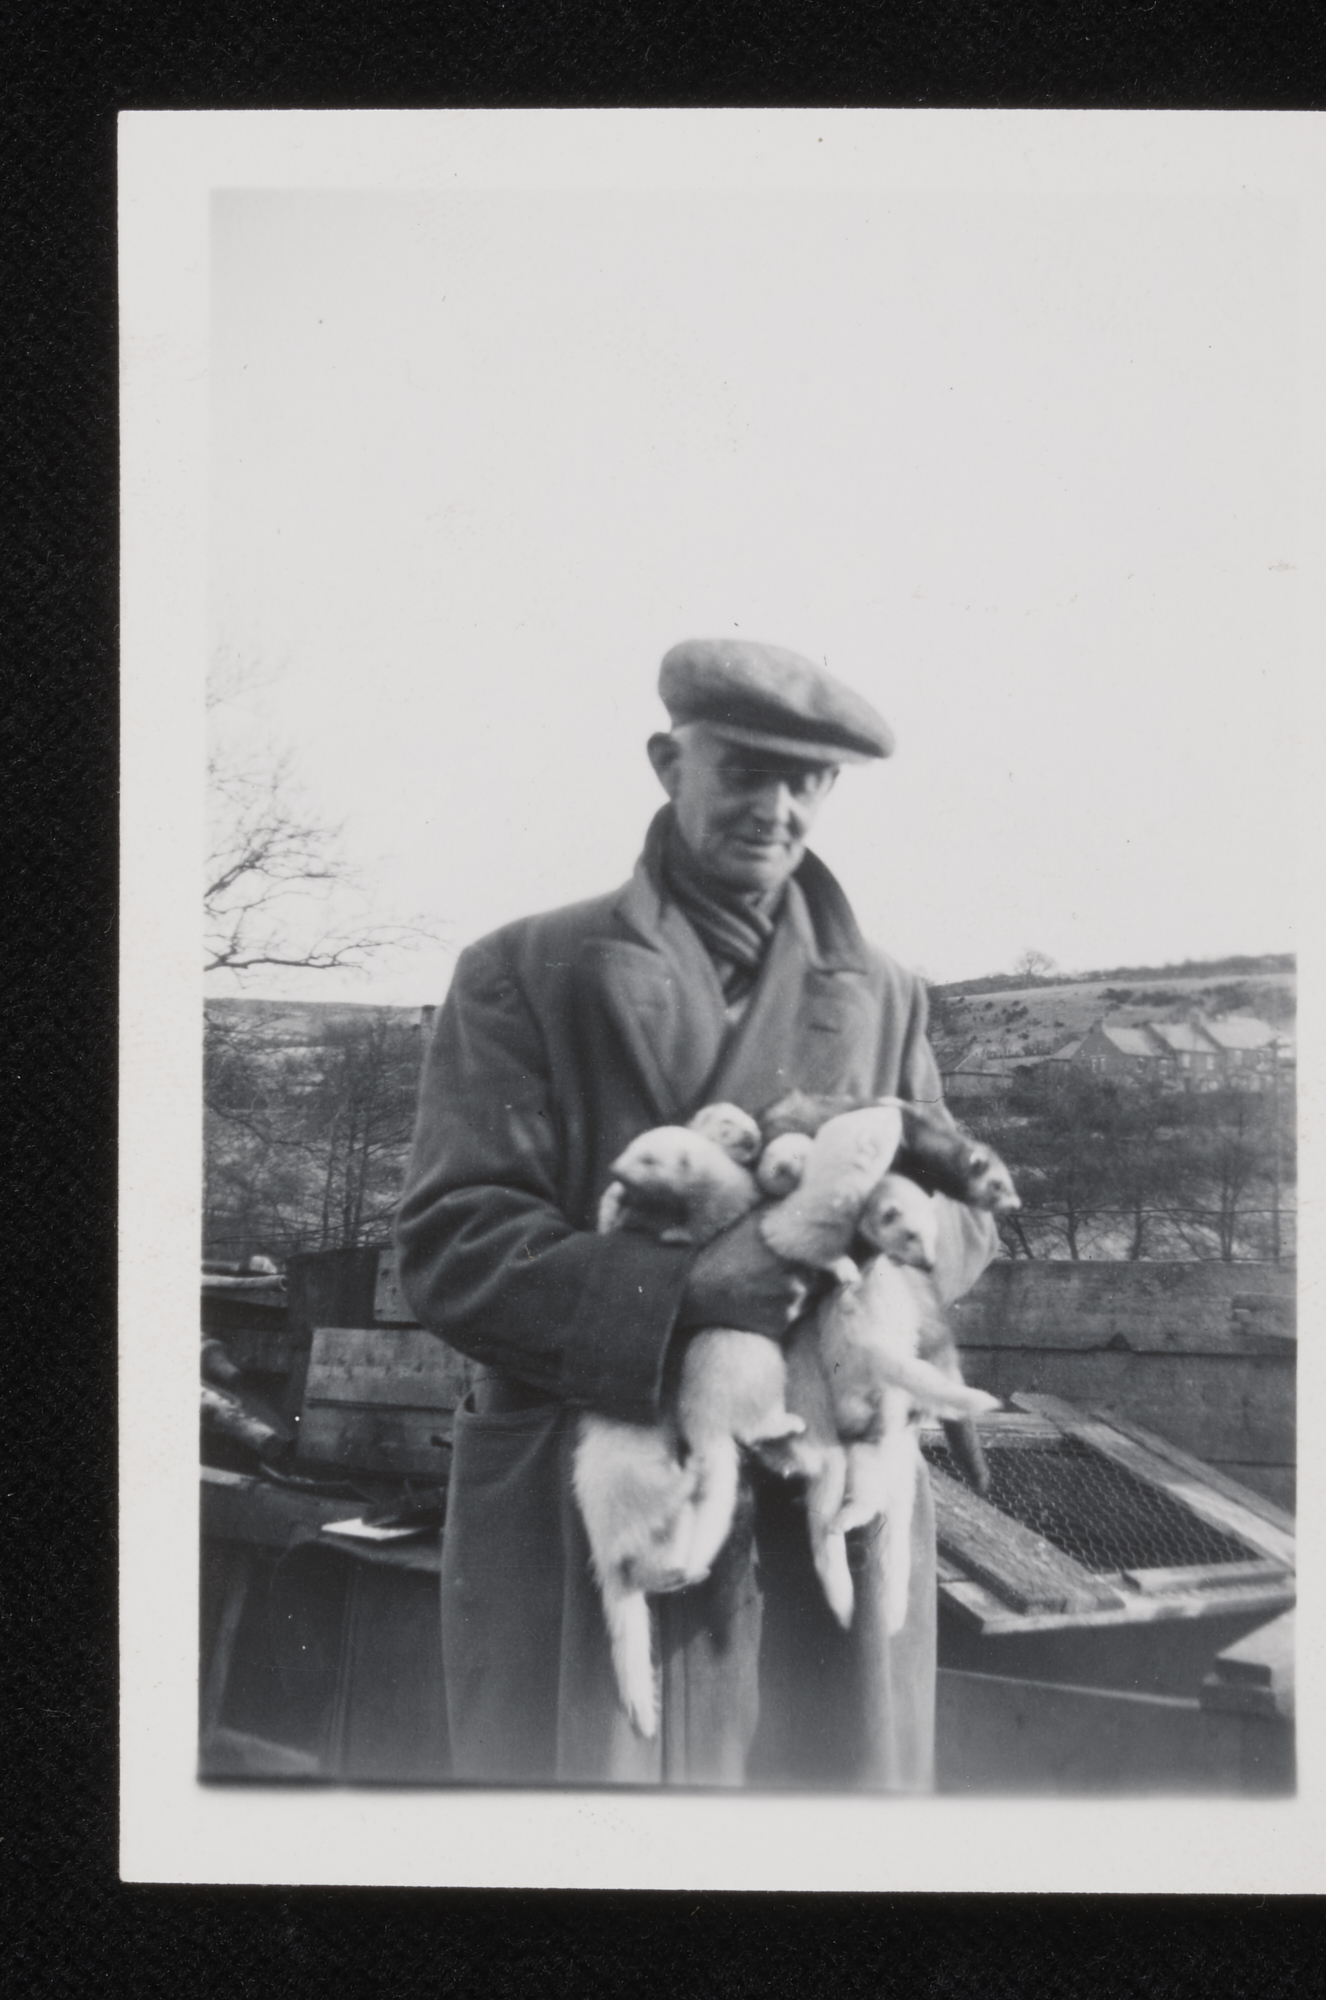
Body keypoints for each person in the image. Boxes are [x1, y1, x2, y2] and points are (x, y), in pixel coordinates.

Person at [396, 638, 996, 1788]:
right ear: (669, 762)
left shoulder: (887, 990)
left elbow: (967, 1220)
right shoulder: (528, 968)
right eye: (745, 771)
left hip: (815, 1480)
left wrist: (883, 1250)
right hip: (603, 1483)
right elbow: (450, 1240)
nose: (777, 808)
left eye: (808, 779)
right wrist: (689, 1292)